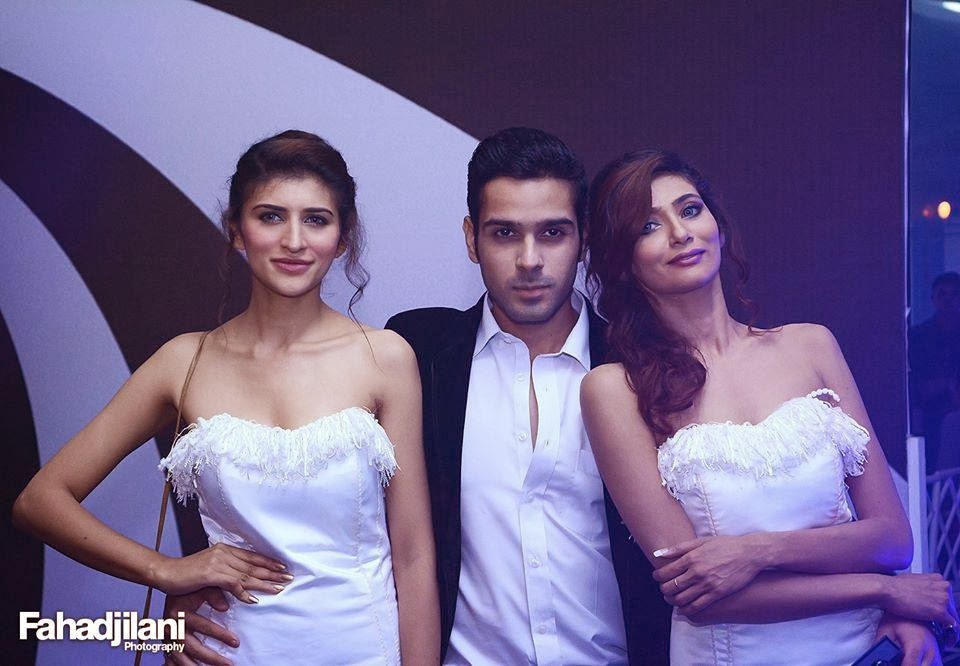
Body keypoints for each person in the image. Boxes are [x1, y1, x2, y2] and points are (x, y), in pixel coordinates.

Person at [13, 130, 439, 665]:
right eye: (270, 216)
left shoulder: (386, 357)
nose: (294, 241)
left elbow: (414, 555)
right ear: (236, 229)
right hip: (230, 651)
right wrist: (165, 571)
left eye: (316, 219)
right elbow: (39, 502)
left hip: (362, 650)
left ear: (343, 237)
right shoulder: (184, 361)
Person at [580, 148, 958, 665]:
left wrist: (756, 551)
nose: (680, 233)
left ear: (718, 225)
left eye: (690, 210)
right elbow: (700, 595)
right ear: (622, 261)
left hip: (868, 650)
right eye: (648, 225)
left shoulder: (812, 345)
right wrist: (885, 590)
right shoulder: (613, 390)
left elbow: (892, 539)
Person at [386, 127, 670, 664]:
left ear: (584, 238)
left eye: (553, 233)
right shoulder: (417, 354)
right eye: (504, 234)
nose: (530, 259)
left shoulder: (643, 363)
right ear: (471, 239)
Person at [910, 271, 960, 470]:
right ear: (933, 299)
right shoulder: (918, 336)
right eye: (942, 294)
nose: (948, 300)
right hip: (930, 415)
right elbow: (913, 381)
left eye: (954, 295)